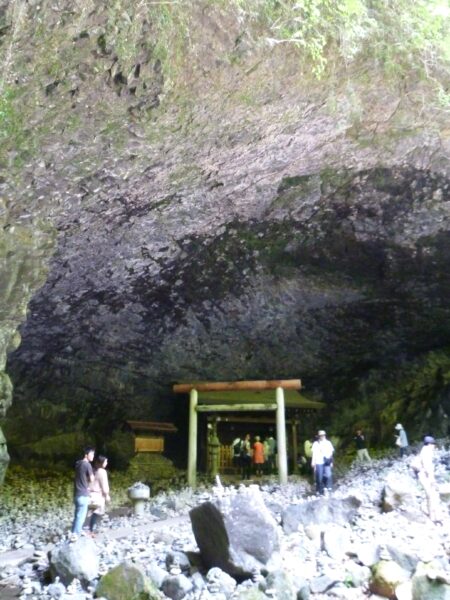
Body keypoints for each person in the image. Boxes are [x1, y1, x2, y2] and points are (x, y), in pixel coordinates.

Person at [412, 436, 442, 524]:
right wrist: (432, 480)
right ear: (429, 444)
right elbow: (427, 467)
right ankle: (435, 518)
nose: (434, 446)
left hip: (422, 476)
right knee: (432, 495)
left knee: (430, 495)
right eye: (433, 444)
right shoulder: (427, 452)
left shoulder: (424, 450)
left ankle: (432, 516)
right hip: (425, 476)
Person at [71, 446, 95, 540]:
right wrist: (89, 484)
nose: (93, 456)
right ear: (86, 455)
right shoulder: (87, 464)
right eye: (91, 454)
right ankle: (75, 535)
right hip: (83, 494)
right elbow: (92, 478)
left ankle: (74, 533)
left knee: (77, 516)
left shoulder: (78, 464)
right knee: (81, 517)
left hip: (76, 494)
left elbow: (81, 478)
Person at [88, 455, 110, 536]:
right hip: (98, 496)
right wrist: (107, 495)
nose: (107, 463)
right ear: (102, 463)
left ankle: (90, 530)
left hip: (90, 495)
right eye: (106, 461)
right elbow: (104, 485)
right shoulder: (102, 471)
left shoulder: (94, 470)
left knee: (92, 513)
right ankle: (91, 531)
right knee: (96, 513)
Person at [311, 430, 334, 495]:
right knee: (319, 476)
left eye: (323, 435)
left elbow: (331, 453)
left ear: (325, 435)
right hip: (318, 461)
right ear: (318, 436)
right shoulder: (315, 443)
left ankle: (328, 487)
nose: (322, 436)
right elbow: (314, 454)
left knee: (328, 474)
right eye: (321, 435)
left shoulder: (328, 443)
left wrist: (331, 462)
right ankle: (319, 490)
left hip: (327, 461)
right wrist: (313, 462)